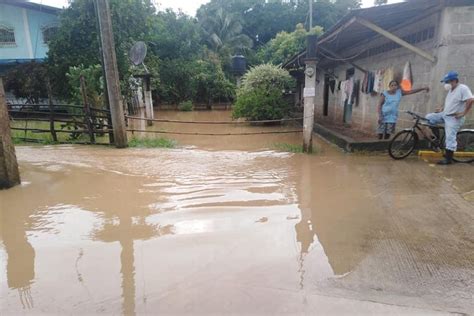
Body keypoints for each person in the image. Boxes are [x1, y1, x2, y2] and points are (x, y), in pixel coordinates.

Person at [426, 71, 474, 165]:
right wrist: (442, 109)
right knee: (429, 118)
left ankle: (448, 159)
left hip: (454, 118)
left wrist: (463, 113)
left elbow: (470, 100)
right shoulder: (451, 90)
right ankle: (437, 140)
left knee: (450, 138)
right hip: (445, 114)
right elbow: (452, 103)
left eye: (447, 82)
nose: (446, 84)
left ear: (454, 81)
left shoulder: (463, 88)